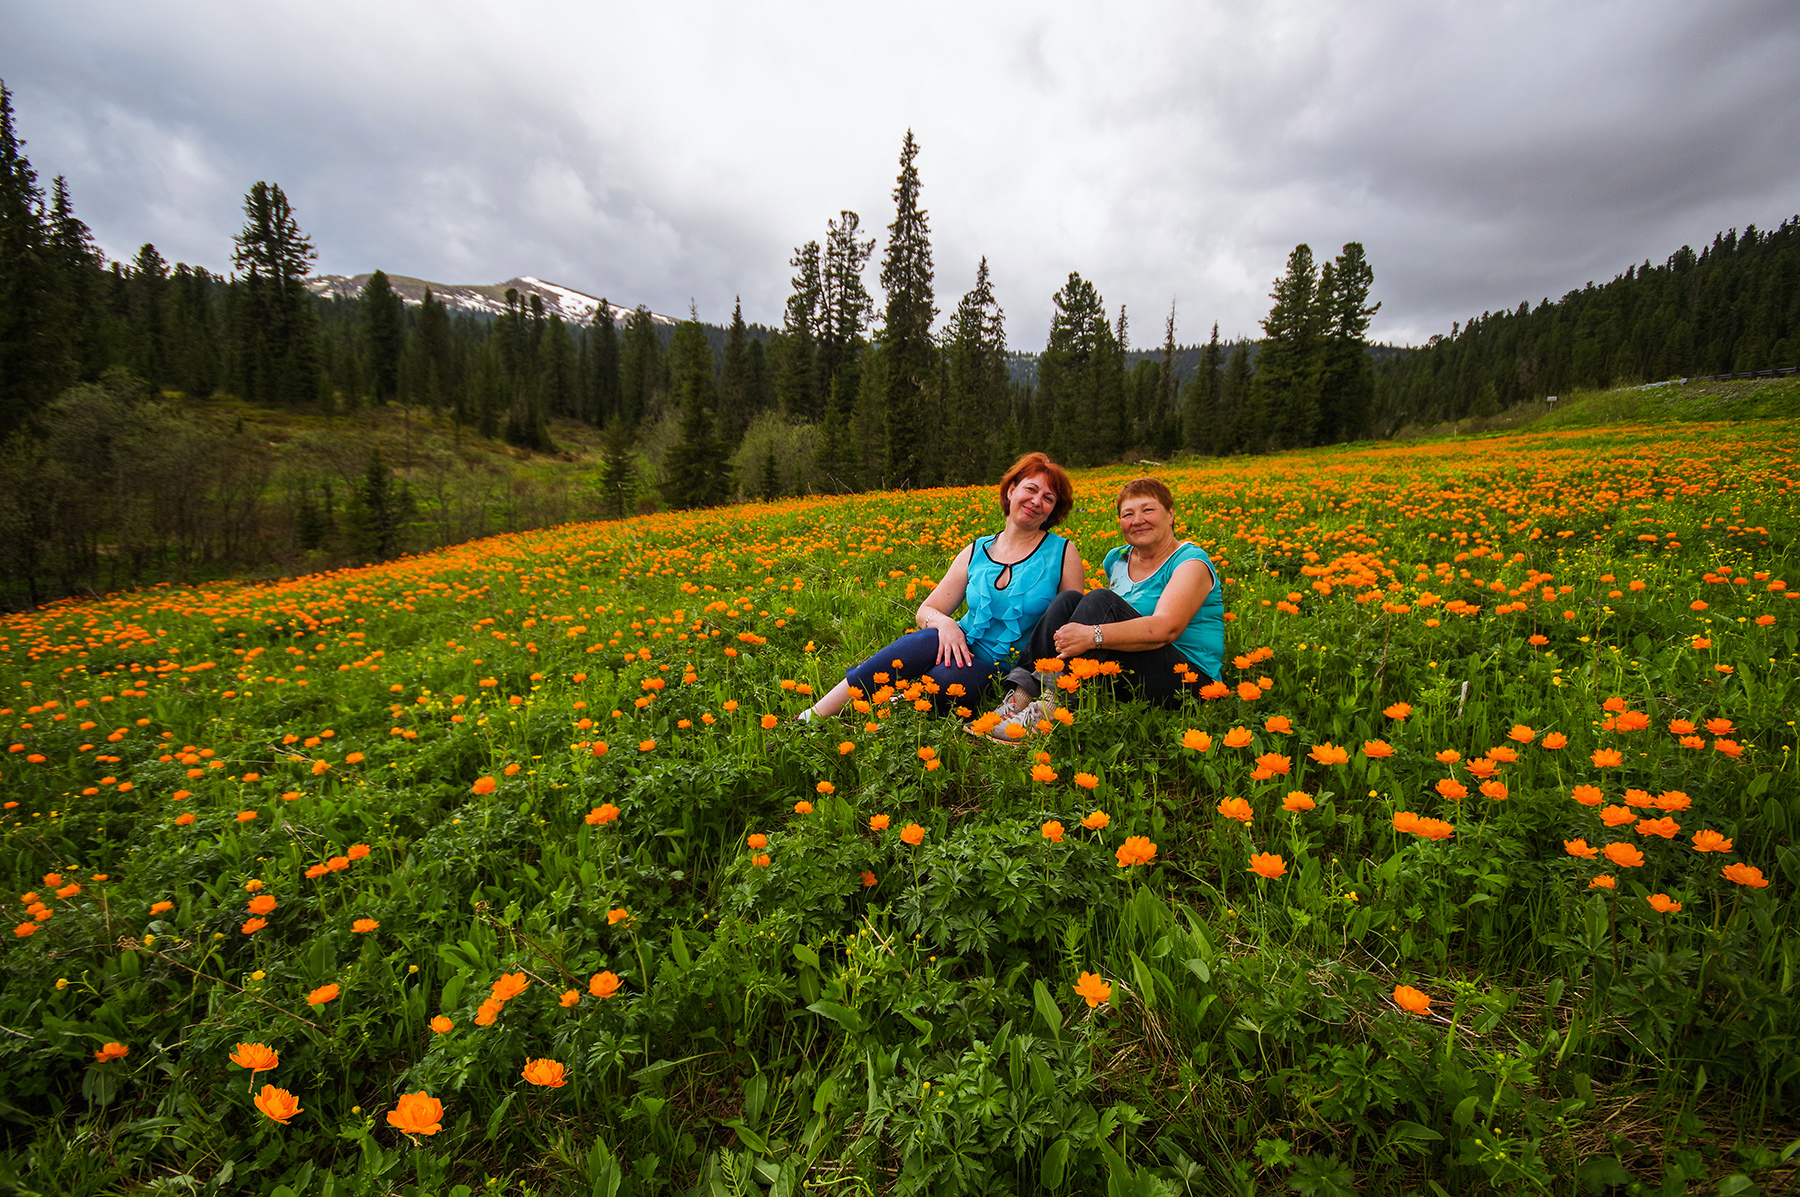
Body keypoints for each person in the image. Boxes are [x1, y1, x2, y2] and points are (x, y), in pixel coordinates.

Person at [798, 453, 1084, 721]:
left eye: (1048, 498)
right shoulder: (976, 550)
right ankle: (811, 716)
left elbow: (1070, 624)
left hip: (1002, 671)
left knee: (946, 682)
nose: (1037, 501)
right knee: (916, 643)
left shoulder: (1062, 553)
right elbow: (928, 610)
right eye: (1031, 489)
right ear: (1011, 490)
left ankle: (887, 706)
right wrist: (945, 624)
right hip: (956, 645)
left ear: (1052, 511)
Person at [979, 476, 1223, 742]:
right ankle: (1020, 699)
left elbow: (1165, 629)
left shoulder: (1191, 563)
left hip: (1188, 681)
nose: (1137, 520)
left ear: (1170, 514)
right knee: (1069, 599)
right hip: (1133, 669)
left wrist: (1092, 635)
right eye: (1127, 514)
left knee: (1101, 600)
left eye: (1148, 510)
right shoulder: (1117, 560)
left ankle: (1051, 708)